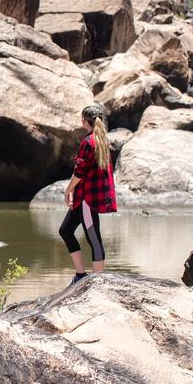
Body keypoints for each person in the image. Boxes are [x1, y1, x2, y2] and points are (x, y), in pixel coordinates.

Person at [59, 103, 117, 286]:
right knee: (65, 230)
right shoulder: (101, 140)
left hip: (87, 199)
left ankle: (97, 281)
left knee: (93, 237)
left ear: (85, 120)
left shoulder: (89, 141)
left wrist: (68, 190)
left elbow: (80, 172)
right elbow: (82, 168)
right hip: (86, 197)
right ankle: (81, 275)